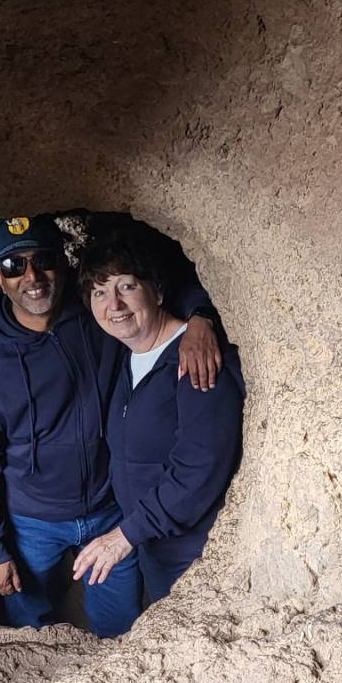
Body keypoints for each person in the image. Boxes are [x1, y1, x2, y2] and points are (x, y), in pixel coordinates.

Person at [0, 215, 223, 637]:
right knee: (29, 630)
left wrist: (201, 317)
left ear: (63, 262)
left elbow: (158, 285)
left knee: (119, 629)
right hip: (32, 521)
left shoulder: (99, 316)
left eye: (43, 260)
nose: (32, 277)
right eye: (14, 266)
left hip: (109, 508)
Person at [70, 226, 244, 606]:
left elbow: (199, 468)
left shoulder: (196, 360)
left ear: (159, 291)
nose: (114, 304)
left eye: (127, 286)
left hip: (196, 553)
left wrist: (126, 535)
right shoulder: (126, 356)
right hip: (155, 546)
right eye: (99, 292)